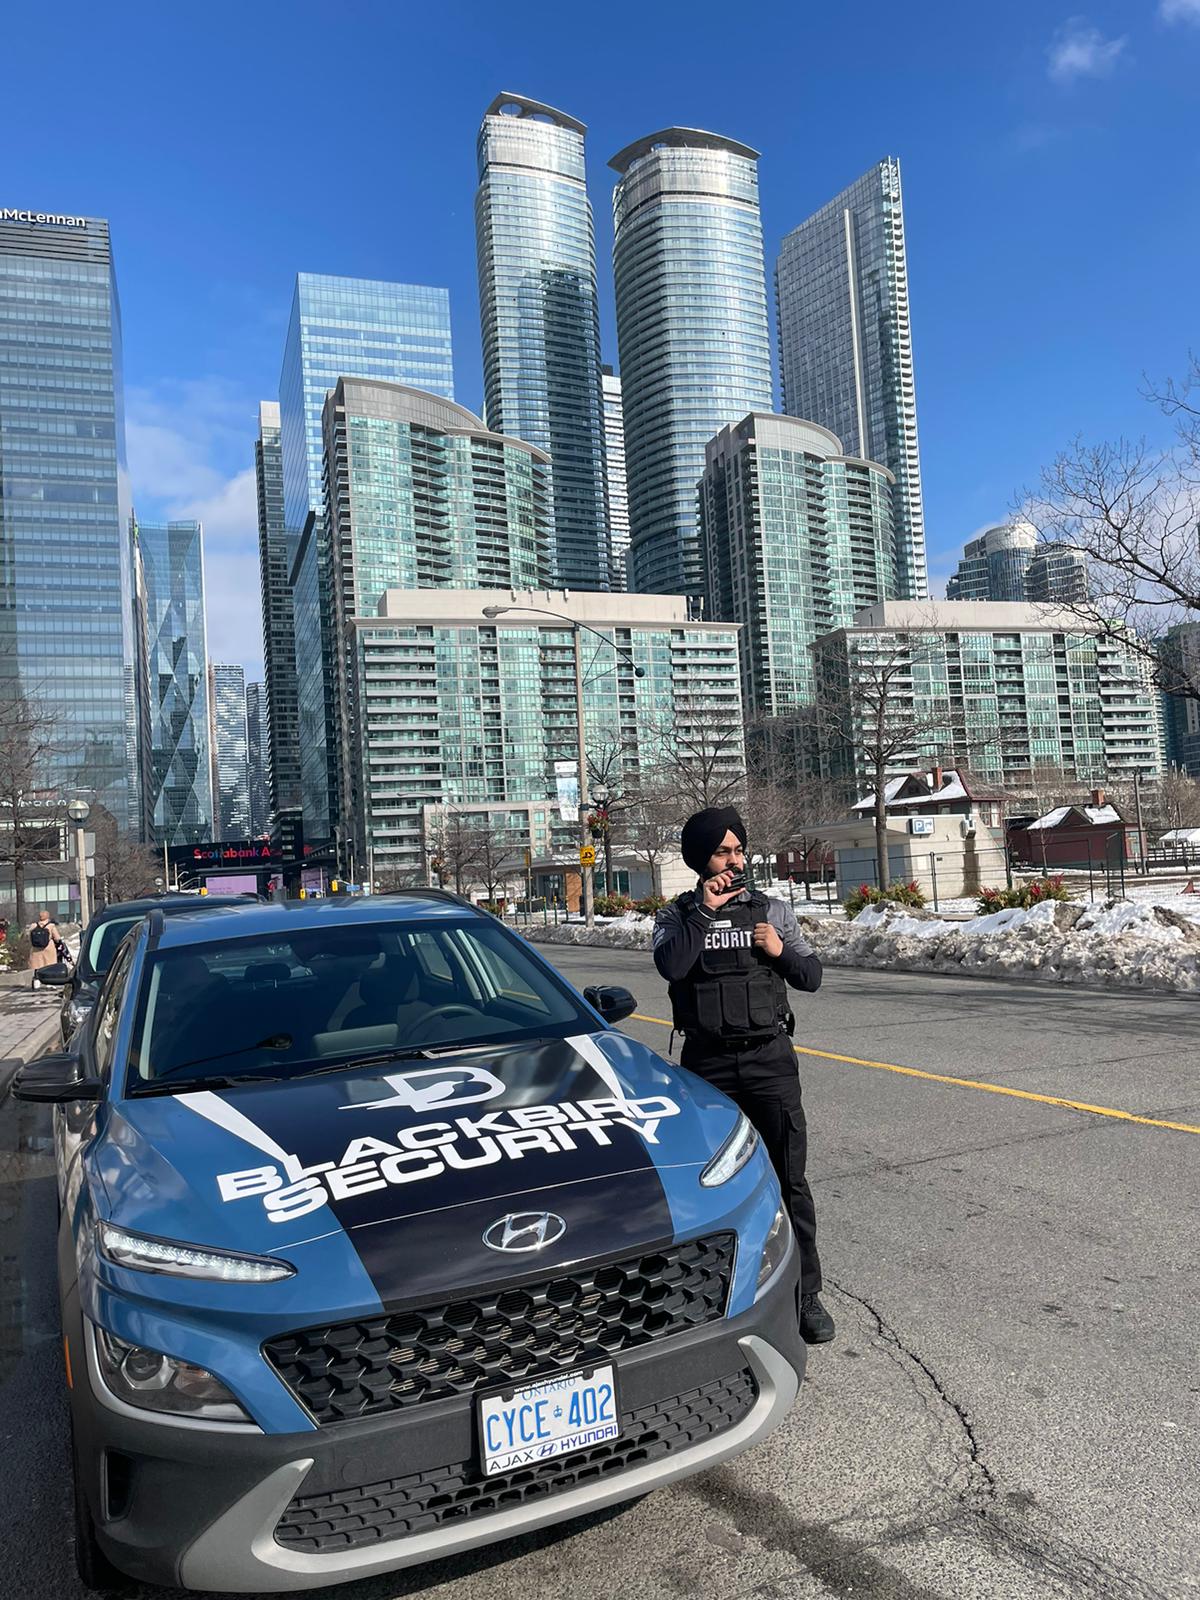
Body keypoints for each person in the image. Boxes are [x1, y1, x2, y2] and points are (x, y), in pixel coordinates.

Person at [652, 805, 834, 1344]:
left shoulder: (771, 911)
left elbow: (813, 976)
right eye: (722, 852)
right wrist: (705, 913)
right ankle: (711, 1297)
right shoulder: (677, 916)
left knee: (788, 1179)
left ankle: (808, 1295)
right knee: (704, 1185)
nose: (733, 861)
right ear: (699, 860)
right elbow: (671, 966)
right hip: (706, 1068)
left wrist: (778, 952)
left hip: (768, 1061)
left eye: (738, 851)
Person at [27, 907, 64, 988]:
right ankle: (49, 982)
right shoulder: (51, 926)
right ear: (48, 916)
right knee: (49, 965)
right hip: (48, 948)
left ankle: (37, 981)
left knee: (37, 966)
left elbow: (28, 937)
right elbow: (57, 938)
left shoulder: (33, 926)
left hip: (36, 949)